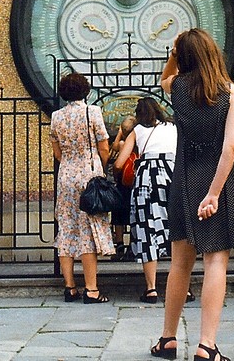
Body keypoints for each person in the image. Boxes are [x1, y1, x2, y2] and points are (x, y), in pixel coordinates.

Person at [151, 29, 234, 361]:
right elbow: (231, 147)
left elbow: (164, 78)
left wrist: (173, 53)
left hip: (183, 178)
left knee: (180, 262)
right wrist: (213, 194)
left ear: (184, 58)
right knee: (215, 262)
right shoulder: (232, 93)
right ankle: (206, 345)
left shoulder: (177, 88)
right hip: (217, 180)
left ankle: (168, 339)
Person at [50, 72, 115, 302]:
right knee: (88, 230)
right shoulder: (92, 112)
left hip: (65, 176)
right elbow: (104, 147)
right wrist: (100, 167)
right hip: (89, 174)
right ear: (85, 90)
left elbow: (57, 153)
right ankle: (91, 289)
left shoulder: (56, 117)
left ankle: (69, 287)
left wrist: (69, 161)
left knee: (67, 228)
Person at [116, 97, 177, 302]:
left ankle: (151, 289)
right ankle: (182, 288)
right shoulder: (173, 127)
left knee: (146, 229)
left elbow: (119, 163)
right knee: (177, 230)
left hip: (146, 179)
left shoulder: (138, 130)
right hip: (172, 175)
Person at [109, 115, 136, 259]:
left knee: (118, 215)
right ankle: (133, 244)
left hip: (121, 184)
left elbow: (114, 150)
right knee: (133, 213)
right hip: (134, 184)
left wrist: (119, 133)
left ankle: (119, 244)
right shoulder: (138, 142)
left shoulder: (121, 144)